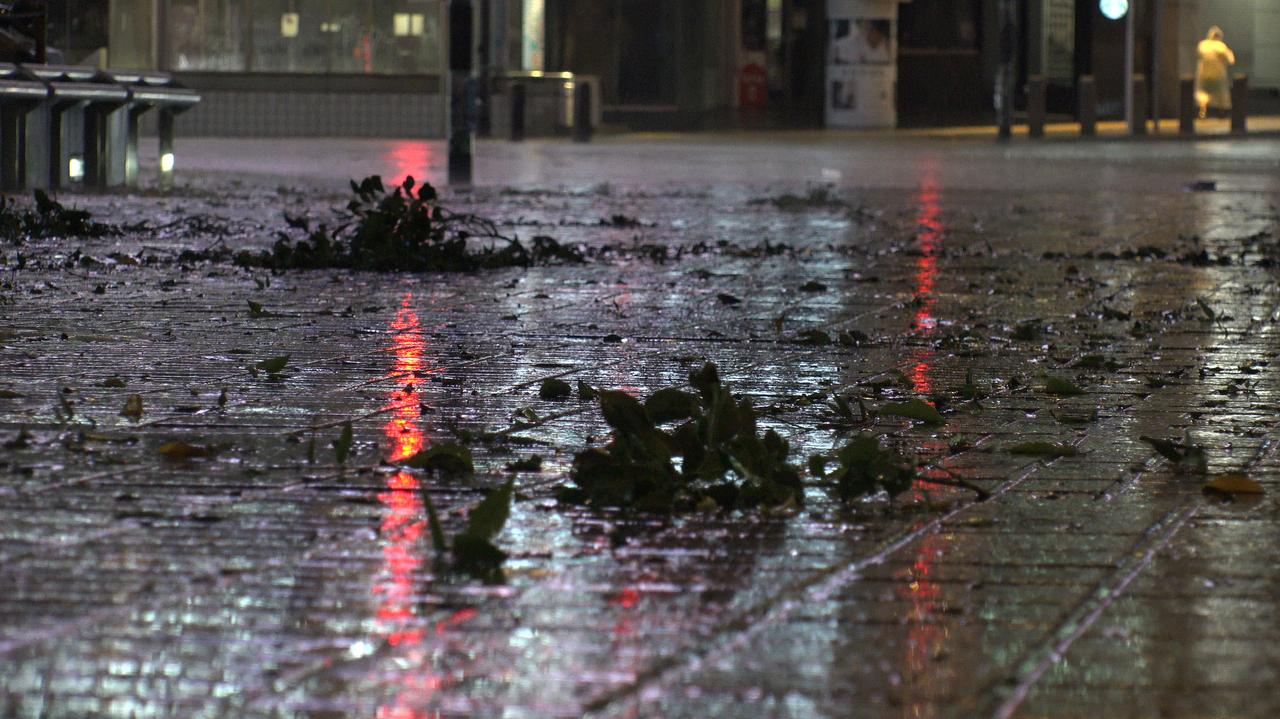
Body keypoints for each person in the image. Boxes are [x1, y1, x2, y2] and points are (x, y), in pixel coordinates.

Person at [1195, 26, 1236, 119]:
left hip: (1203, 74)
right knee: (1221, 92)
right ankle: (1222, 112)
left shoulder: (1202, 45)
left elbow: (1198, 55)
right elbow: (1231, 60)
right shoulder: (1221, 46)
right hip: (1219, 74)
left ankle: (1202, 112)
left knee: (1203, 91)